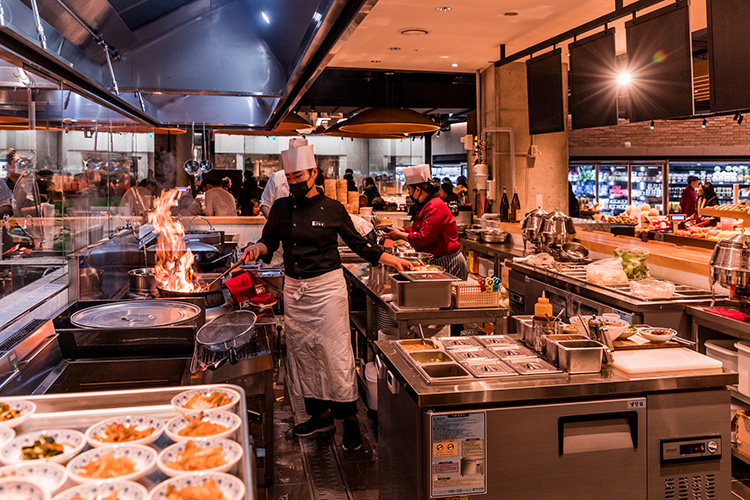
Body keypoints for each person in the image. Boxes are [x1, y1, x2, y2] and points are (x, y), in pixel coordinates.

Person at [241, 138, 411, 451]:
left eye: (299, 177)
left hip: (327, 291)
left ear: (315, 173)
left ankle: (349, 422)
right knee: (304, 355)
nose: (294, 183)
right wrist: (256, 248)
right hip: (295, 292)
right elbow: (268, 241)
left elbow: (360, 246)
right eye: (289, 178)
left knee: (335, 356)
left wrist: (392, 259)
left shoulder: (333, 209)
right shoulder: (280, 208)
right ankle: (320, 417)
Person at [384, 164, 468, 280]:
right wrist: (401, 230)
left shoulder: (434, 207)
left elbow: (424, 238)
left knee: (449, 298)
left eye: (409, 189)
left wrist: (399, 235)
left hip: (448, 262)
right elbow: (420, 229)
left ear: (418, 190)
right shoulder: (426, 205)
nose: (408, 193)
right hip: (436, 260)